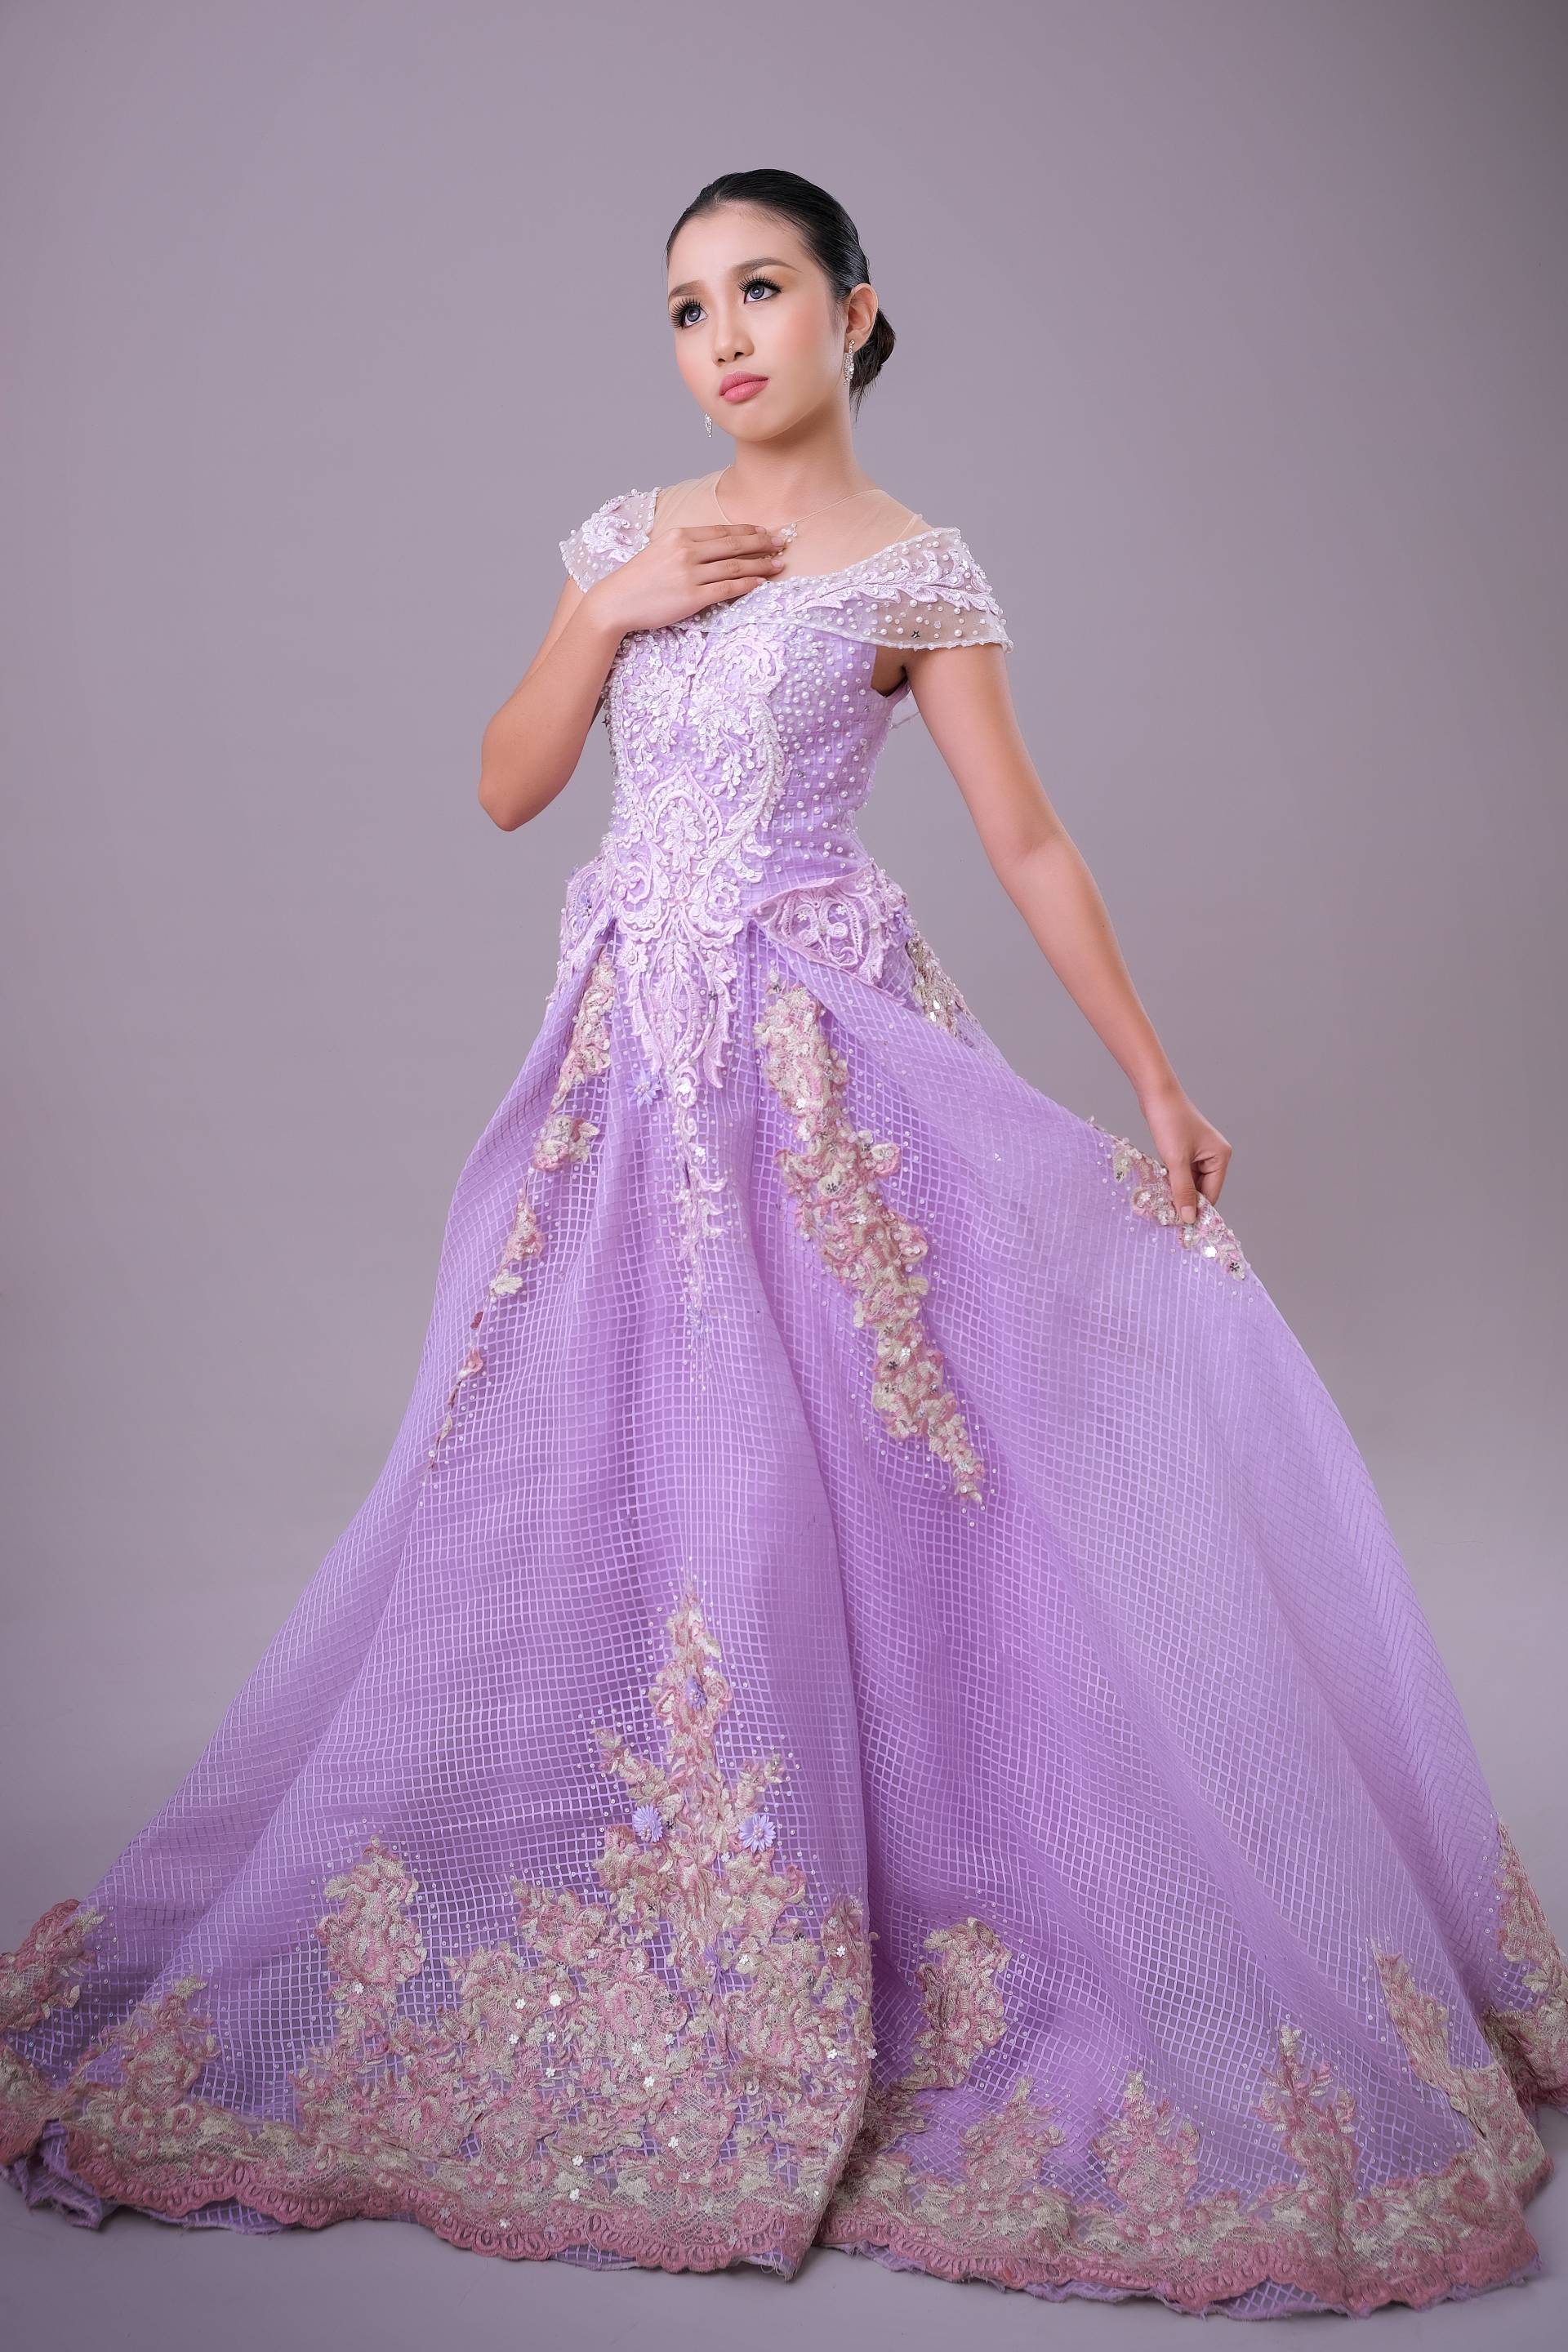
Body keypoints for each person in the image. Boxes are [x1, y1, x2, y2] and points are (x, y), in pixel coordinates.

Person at [2, 167, 1564, 2323]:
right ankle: (673, 1873)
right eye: (685, 307)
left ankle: (901, 1900)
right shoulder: (624, 537)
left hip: (819, 1075)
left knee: (885, 1492)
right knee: (595, 1467)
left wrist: (1155, 1078)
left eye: (759, 291)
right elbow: (507, 786)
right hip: (629, 1077)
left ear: (853, 309)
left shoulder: (916, 570)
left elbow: (1025, 836)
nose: (723, 337)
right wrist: (610, 608)